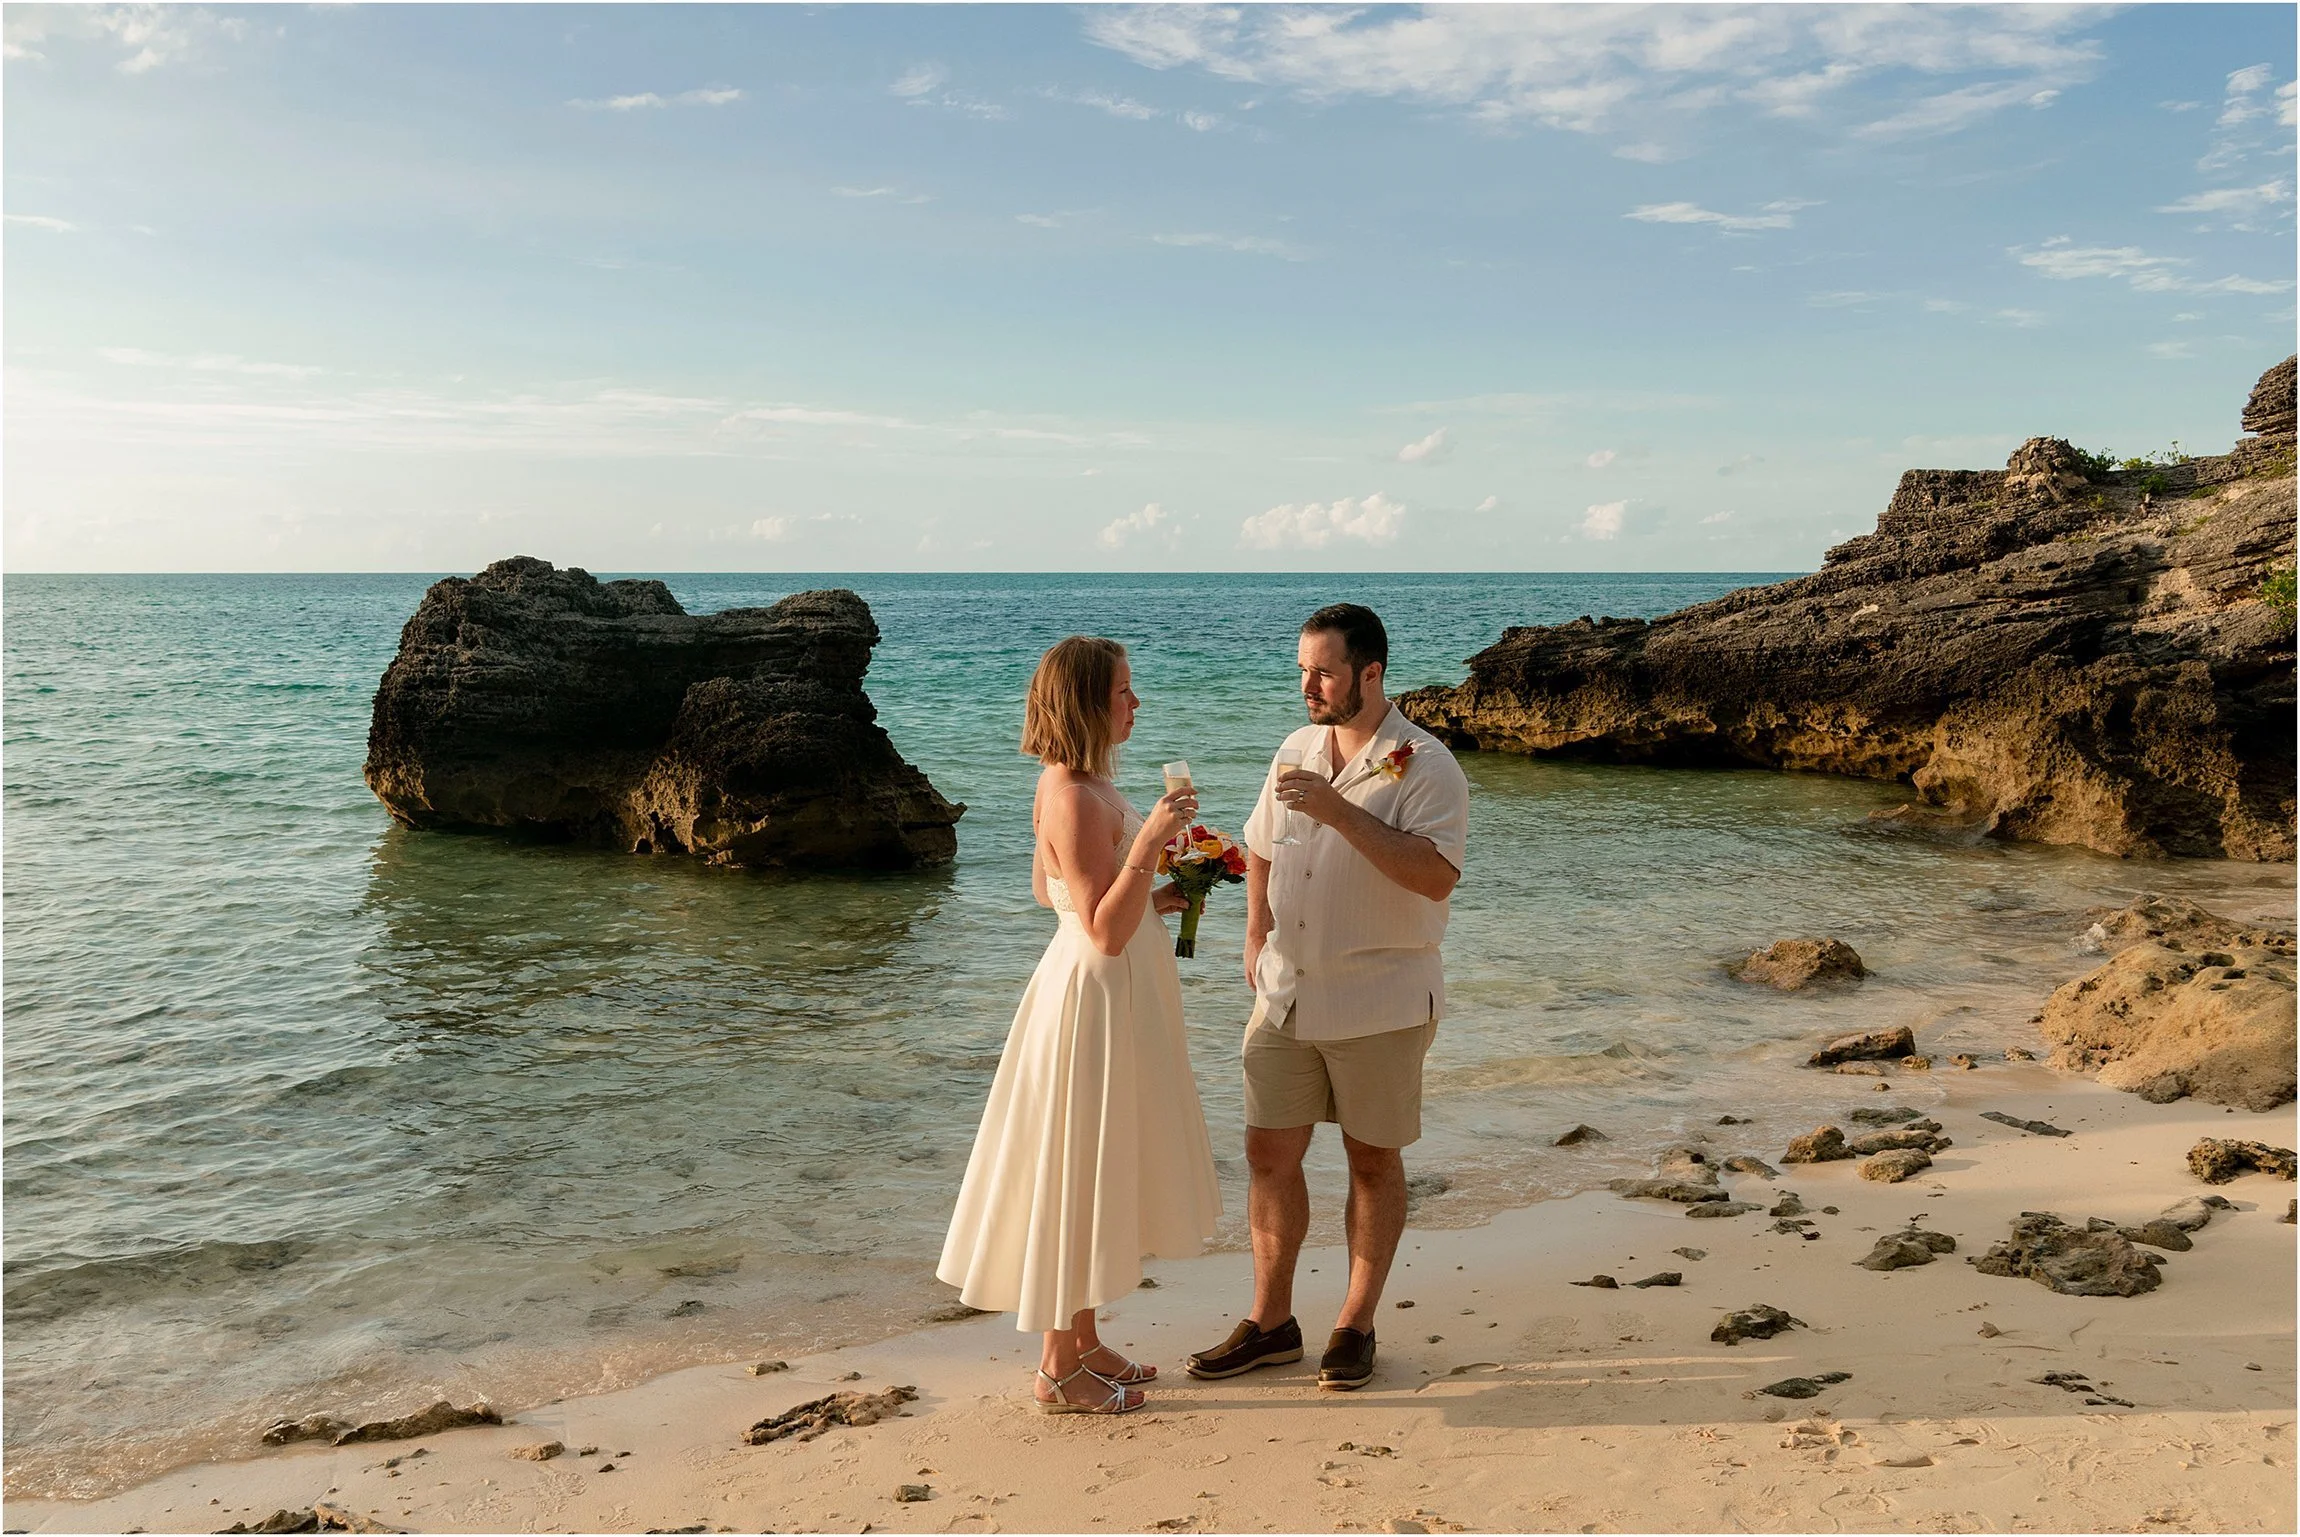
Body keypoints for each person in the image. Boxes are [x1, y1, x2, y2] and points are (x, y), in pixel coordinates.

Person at [1186, 603, 1469, 1392]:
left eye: (1325, 671)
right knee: (1267, 1155)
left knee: (1372, 1161)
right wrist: (1253, 931)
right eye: (1303, 669)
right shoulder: (1296, 746)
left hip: (1380, 998)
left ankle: (1355, 1325)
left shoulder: (1428, 764)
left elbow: (1436, 876)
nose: (1308, 685)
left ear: (1371, 673)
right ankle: (1271, 1322)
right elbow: (1263, 843)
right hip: (1285, 995)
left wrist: (1341, 809)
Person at [937, 636, 1223, 1414]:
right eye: (1125, 691)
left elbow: (1048, 890)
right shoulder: (1069, 792)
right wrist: (1151, 843)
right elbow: (1097, 927)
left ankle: (1087, 1340)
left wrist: (1160, 894)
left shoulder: (1088, 784)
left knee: (1099, 1165)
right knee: (1074, 1166)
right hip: (1093, 994)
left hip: (1113, 988)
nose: (1137, 704)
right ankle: (1058, 1370)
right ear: (1089, 702)